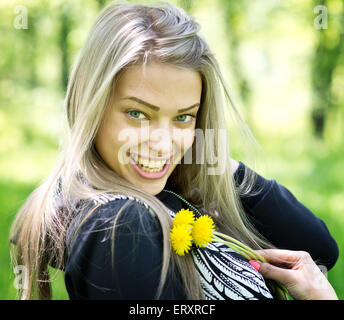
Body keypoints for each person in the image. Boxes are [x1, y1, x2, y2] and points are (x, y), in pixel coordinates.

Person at [9, 1, 338, 300]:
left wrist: (206, 160)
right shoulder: (121, 223)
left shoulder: (167, 195)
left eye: (183, 116)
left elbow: (316, 253)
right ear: (90, 106)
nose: (164, 144)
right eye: (138, 114)